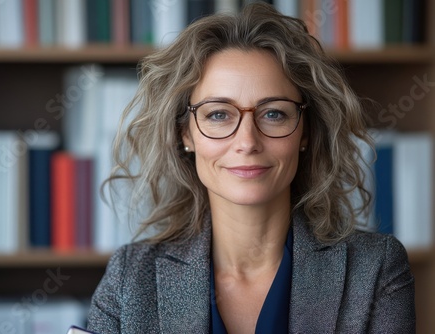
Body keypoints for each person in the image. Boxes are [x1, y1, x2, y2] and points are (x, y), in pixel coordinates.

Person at [87, 2, 415, 333]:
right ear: (185, 133)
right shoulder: (130, 277)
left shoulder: (375, 269)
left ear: (305, 131)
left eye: (273, 113)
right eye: (218, 114)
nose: (247, 141)